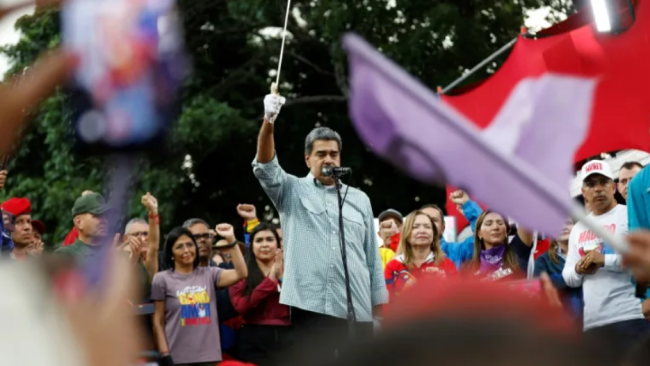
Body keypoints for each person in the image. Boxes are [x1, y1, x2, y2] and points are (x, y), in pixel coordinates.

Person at [252, 93, 387, 350]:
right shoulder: (291, 190)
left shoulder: (359, 199)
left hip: (357, 306)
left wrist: (377, 308)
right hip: (311, 304)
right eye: (321, 154)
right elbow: (265, 166)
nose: (328, 159)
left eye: (334, 154)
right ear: (307, 159)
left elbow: (371, 257)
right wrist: (268, 121)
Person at [563, 160, 648, 355]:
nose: (598, 189)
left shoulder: (629, 215)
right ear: (583, 192)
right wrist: (579, 269)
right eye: (591, 184)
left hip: (632, 314)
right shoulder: (578, 228)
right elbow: (568, 276)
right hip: (595, 322)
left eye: (603, 182)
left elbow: (643, 260)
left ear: (614, 186)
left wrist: (604, 260)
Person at [152, 224, 247, 366]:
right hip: (177, 358)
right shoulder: (161, 279)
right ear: (171, 253)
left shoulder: (210, 273)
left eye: (190, 245)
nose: (186, 250)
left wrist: (231, 239)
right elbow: (157, 322)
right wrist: (164, 354)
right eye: (179, 246)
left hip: (209, 357)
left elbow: (241, 273)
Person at [229, 223, 291, 366]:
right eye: (259, 240)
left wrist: (281, 277)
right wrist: (270, 281)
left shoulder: (291, 270)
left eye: (269, 239)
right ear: (251, 246)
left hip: (288, 336)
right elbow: (241, 306)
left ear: (278, 244)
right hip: (253, 338)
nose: (264, 244)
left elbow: (301, 302)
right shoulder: (242, 273)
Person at [384, 210, 456, 299]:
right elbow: (387, 306)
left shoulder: (447, 265)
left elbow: (457, 302)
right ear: (406, 233)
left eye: (427, 227)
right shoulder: (392, 266)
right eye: (415, 227)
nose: (422, 231)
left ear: (433, 234)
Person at [533, 219, 583, 325]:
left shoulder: (588, 252)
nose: (563, 227)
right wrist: (577, 272)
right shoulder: (543, 261)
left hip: (594, 320)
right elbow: (541, 290)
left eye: (568, 223)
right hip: (564, 325)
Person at [420, 190, 482, 268]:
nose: (428, 223)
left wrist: (467, 205)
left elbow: (484, 236)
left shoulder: (457, 251)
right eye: (424, 220)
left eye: (434, 220)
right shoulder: (404, 256)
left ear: (443, 227)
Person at [465, 210, 533, 281]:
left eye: (500, 223)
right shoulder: (469, 267)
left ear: (506, 231)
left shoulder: (517, 251)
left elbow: (527, 215)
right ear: (479, 234)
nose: (495, 227)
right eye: (488, 224)